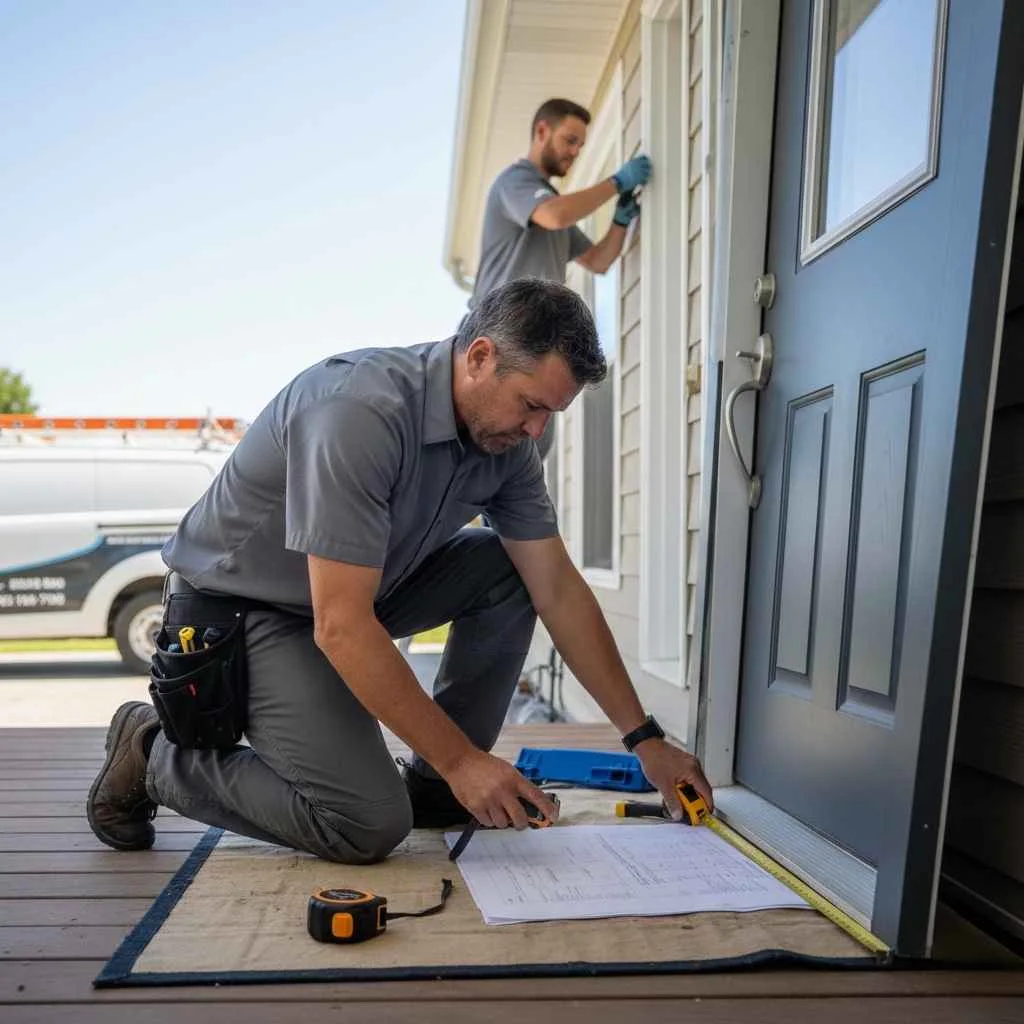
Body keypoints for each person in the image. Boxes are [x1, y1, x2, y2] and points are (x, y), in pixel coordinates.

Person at [86, 278, 712, 865]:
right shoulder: (357, 411)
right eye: (530, 406)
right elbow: (340, 625)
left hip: (362, 591)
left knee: (509, 569)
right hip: (246, 611)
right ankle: (151, 755)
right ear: (480, 357)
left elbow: (557, 588)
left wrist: (644, 739)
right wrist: (466, 758)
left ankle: (440, 787)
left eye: (550, 415)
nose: (535, 430)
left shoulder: (508, 445)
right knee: (365, 824)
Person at [471, 98, 652, 458]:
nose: (576, 152)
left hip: (538, 344)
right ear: (542, 131)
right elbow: (554, 215)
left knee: (527, 461)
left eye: (581, 145)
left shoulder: (552, 207)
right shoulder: (516, 182)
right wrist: (615, 183)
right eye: (570, 140)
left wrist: (620, 221)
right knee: (489, 455)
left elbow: (599, 261)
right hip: (499, 338)